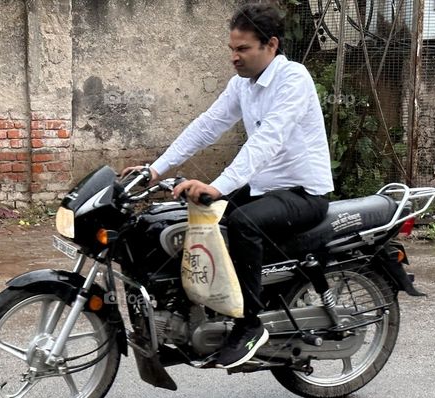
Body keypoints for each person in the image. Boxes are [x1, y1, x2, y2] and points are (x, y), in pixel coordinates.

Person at [123, 2, 334, 369]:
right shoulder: (243, 85)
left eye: (243, 49)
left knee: (242, 224)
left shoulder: (293, 79)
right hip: (264, 188)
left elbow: (267, 140)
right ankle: (207, 311)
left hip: (304, 192)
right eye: (232, 49)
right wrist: (154, 170)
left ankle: (249, 324)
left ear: (271, 44)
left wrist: (219, 186)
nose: (234, 57)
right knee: (196, 219)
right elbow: (207, 125)